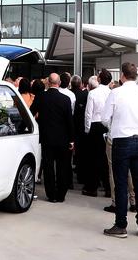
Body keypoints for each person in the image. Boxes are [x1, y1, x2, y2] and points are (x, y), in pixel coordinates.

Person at [102, 63, 138, 239]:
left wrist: (114, 127)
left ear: (123, 75)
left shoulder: (116, 93)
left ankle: (121, 224)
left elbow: (104, 118)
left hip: (121, 140)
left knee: (121, 183)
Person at [32, 73, 74, 203]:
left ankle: (51, 195)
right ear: (59, 82)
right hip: (63, 138)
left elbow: (31, 112)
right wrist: (72, 139)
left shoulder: (40, 97)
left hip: (46, 137)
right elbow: (69, 121)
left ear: (48, 83)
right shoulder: (65, 99)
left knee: (48, 167)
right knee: (62, 167)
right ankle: (61, 194)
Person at [82, 69, 112, 198]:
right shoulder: (112, 93)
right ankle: (108, 188)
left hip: (95, 125)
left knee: (93, 159)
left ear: (99, 79)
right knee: (107, 159)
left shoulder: (93, 93)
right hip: (107, 126)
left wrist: (87, 129)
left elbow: (88, 113)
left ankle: (92, 188)